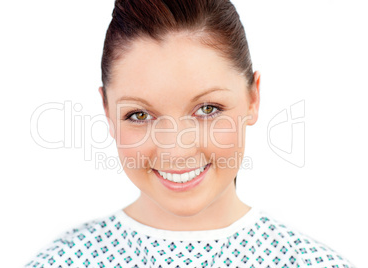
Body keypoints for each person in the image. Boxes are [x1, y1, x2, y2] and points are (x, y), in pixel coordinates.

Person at [24, 0, 355, 267]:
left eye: (208, 109)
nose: (176, 150)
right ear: (108, 113)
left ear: (253, 98)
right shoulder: (62, 262)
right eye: (139, 115)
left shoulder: (314, 263)